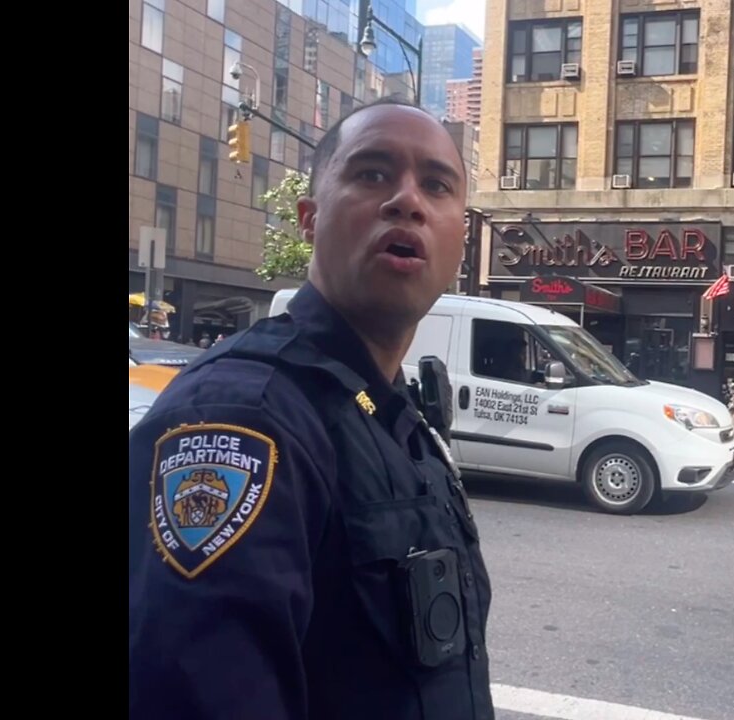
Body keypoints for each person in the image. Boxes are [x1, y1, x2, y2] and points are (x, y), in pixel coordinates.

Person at [128, 97, 494, 720]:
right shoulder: (244, 415)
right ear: (308, 218)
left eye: (436, 185)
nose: (407, 200)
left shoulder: (395, 415)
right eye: (372, 173)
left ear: (461, 236)